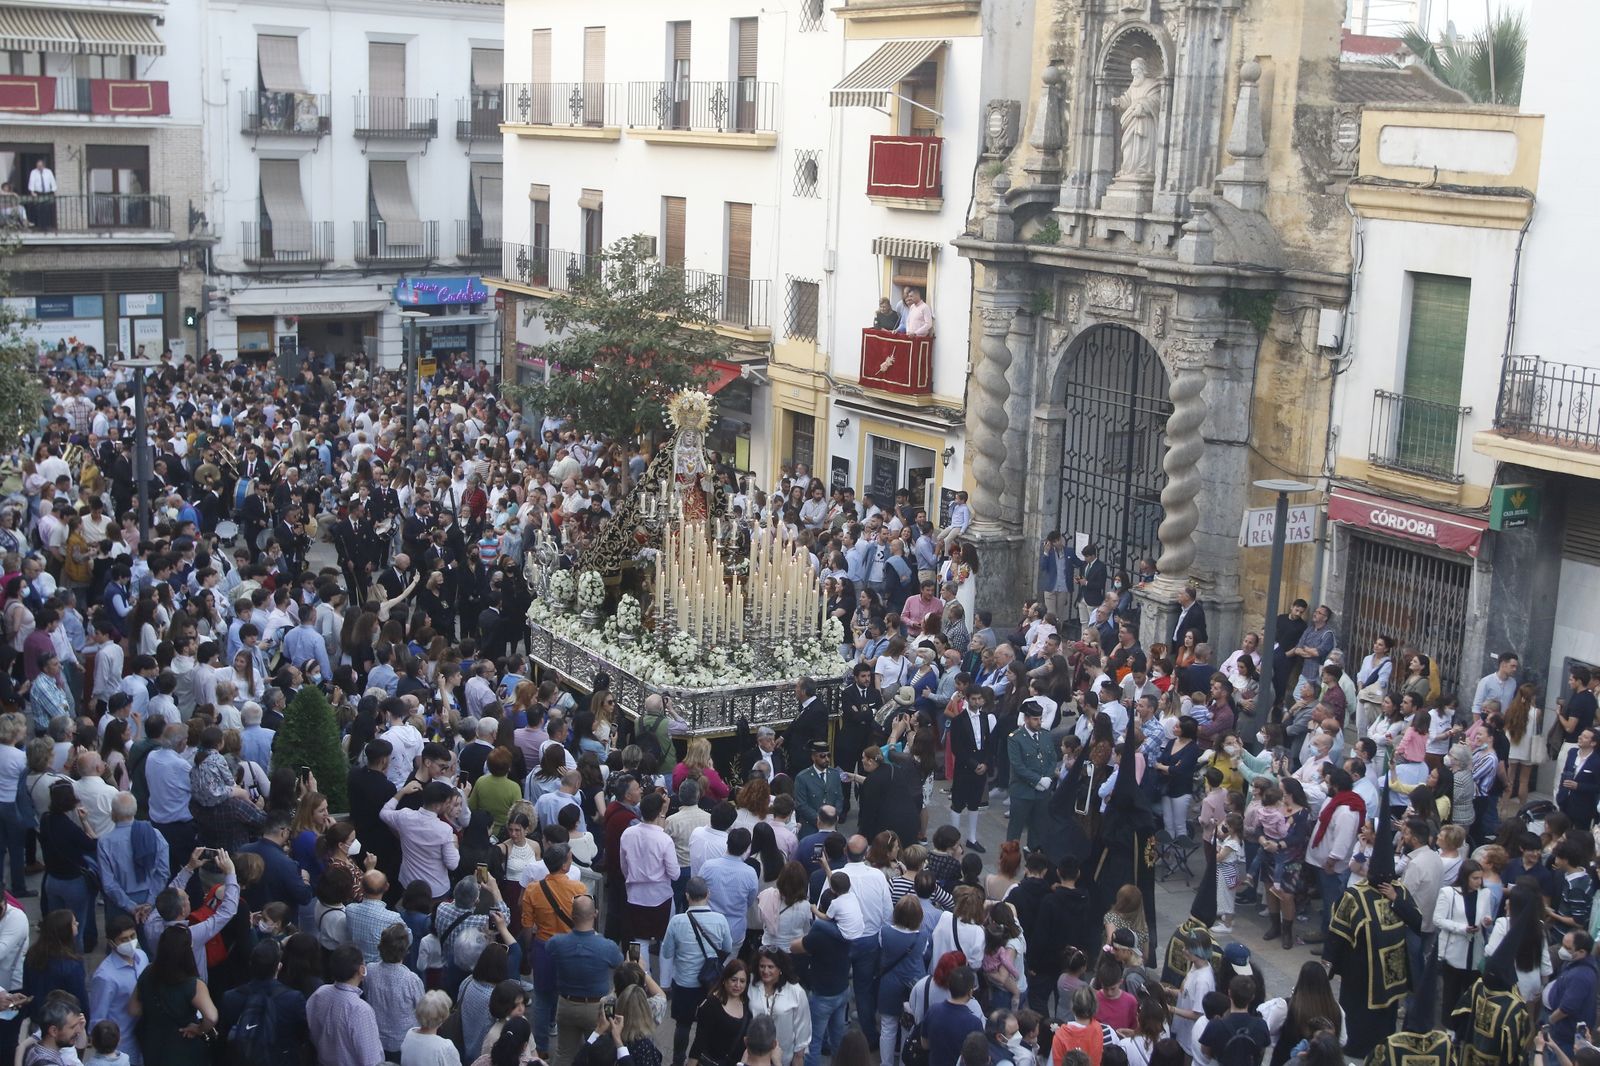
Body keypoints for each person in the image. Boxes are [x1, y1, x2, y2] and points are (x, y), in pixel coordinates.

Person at [663, 877, 733, 1066]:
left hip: (684, 982)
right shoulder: (720, 920)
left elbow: (667, 952)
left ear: (687, 896)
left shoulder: (677, 922)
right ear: (708, 894)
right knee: (708, 1026)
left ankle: (678, 1060)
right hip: (711, 983)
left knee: (683, 1025)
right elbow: (727, 948)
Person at [547, 895, 622, 1066]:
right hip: (597, 1009)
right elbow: (620, 967)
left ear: (572, 916)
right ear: (595, 914)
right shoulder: (607, 946)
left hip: (566, 1004)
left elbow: (548, 947)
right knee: (600, 1055)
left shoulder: (557, 942)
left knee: (564, 1053)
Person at [130, 927, 219, 1066]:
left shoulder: (148, 972)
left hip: (153, 1044)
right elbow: (211, 1017)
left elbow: (133, 1009)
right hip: (184, 1045)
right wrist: (198, 1029)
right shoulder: (194, 985)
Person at [305, 944, 384, 1066]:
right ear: (361, 970)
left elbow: (313, 1031)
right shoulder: (360, 1010)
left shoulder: (320, 993)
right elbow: (371, 1060)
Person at [1197, 976, 1270, 1066]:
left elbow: (1205, 1051)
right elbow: (1261, 1051)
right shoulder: (1261, 1025)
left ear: (1229, 993)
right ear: (1252, 997)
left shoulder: (1214, 1025)